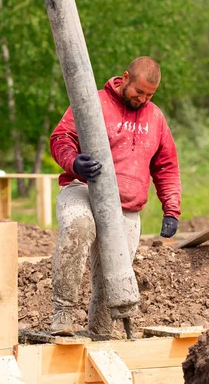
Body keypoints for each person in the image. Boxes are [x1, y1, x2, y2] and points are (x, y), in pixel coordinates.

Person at [49, 56, 181, 336]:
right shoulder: (93, 102)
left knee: (112, 274)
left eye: (150, 95)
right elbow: (61, 138)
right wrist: (74, 162)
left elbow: (166, 165)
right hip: (83, 189)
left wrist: (171, 209)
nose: (143, 99)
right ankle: (63, 313)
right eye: (139, 91)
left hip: (126, 206)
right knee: (78, 227)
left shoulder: (155, 118)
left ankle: (100, 334)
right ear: (125, 78)